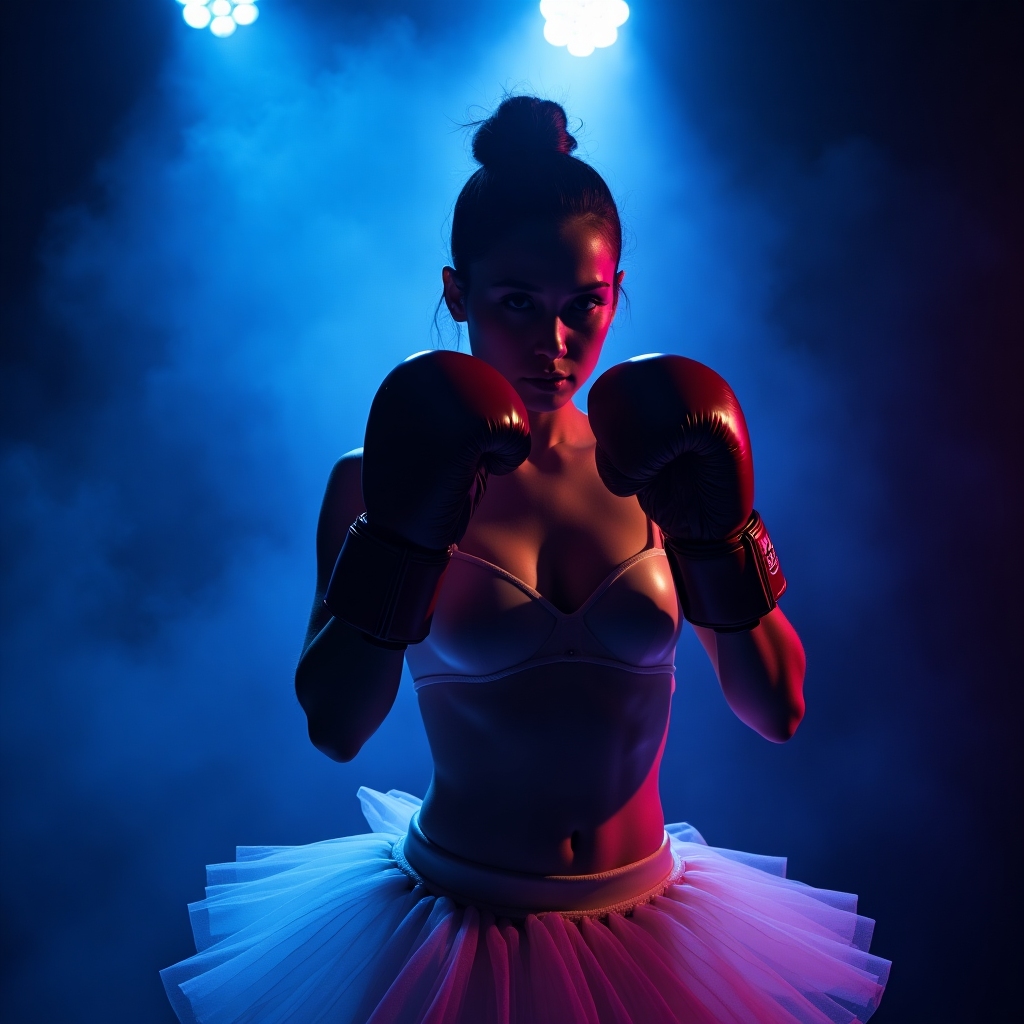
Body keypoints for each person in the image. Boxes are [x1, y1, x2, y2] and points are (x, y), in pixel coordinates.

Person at [161, 96, 890, 1024]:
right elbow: (336, 725)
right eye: (517, 304)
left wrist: (722, 531)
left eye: (585, 305)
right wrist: (404, 537)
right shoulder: (373, 478)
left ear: (617, 290)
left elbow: (778, 709)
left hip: (652, 918)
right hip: (454, 934)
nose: (555, 343)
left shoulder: (668, 460)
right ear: (457, 292)